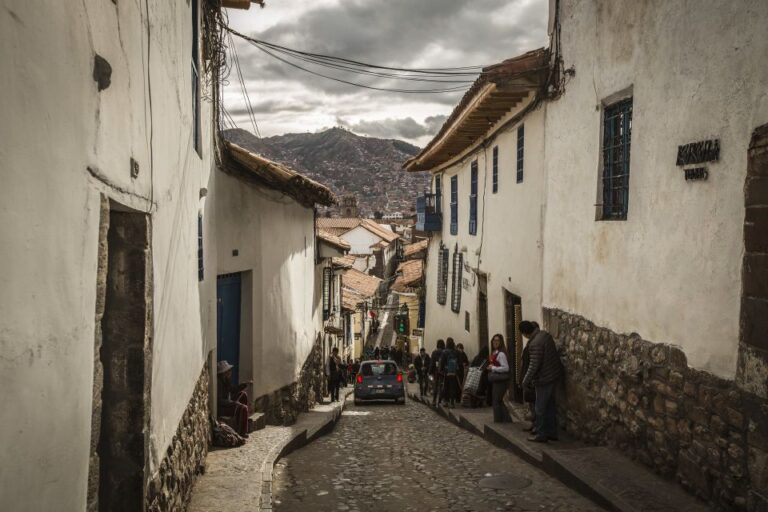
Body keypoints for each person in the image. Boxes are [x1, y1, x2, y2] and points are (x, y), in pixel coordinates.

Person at [520, 320, 564, 443]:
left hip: (544, 378)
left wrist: (525, 381)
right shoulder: (545, 335)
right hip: (554, 375)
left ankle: (541, 434)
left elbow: (534, 365)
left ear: (525, 333)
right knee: (550, 405)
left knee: (539, 408)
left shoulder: (534, 343)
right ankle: (552, 432)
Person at [217, 361, 252, 437]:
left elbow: (233, 390)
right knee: (243, 408)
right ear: (224, 373)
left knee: (243, 394)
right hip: (222, 408)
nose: (230, 372)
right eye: (228, 371)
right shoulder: (219, 383)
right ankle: (242, 432)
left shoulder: (226, 380)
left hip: (228, 403)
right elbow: (219, 401)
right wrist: (233, 403)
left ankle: (244, 419)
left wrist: (244, 385)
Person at [486, 334, 512, 423]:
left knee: (496, 401)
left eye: (497, 340)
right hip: (496, 379)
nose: (495, 342)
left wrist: (493, 368)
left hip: (501, 380)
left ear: (501, 342)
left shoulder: (501, 354)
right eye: (494, 340)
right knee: (498, 401)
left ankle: (498, 420)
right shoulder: (495, 352)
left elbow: (506, 368)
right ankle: (506, 419)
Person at [440, 338, 461, 408]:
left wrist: (441, 370)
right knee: (453, 387)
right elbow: (459, 362)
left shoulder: (444, 352)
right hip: (454, 372)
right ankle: (452, 402)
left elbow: (442, 362)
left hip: (446, 371)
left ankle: (446, 401)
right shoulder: (456, 352)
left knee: (446, 386)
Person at [429, 339, 445, 406]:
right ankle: (440, 401)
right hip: (442, 371)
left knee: (435, 385)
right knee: (441, 386)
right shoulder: (444, 352)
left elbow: (432, 363)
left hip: (435, 371)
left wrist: (430, 371)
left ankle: (434, 400)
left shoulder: (434, 352)